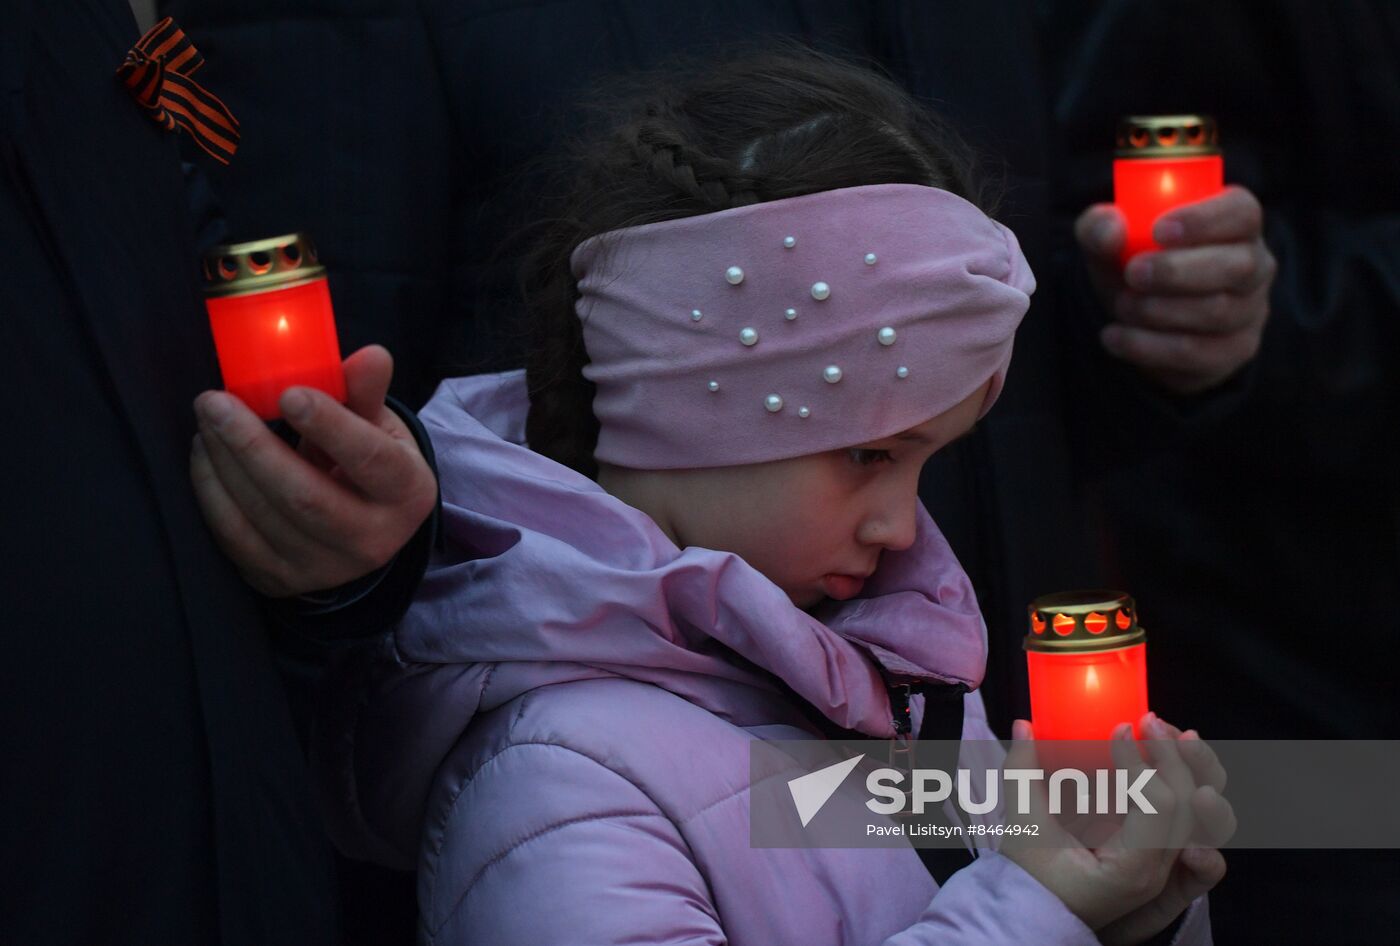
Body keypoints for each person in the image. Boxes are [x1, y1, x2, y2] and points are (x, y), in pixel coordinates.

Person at [313, 50, 1233, 946]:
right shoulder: (556, 778)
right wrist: (1035, 912)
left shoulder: (889, 675)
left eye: (927, 463)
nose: (903, 526)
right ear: (687, 413)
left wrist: (1115, 910)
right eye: (870, 453)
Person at [0, 3, 437, 943]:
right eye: (844, 454)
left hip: (236, 848)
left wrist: (345, 519)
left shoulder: (94, 40)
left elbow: (231, 325)